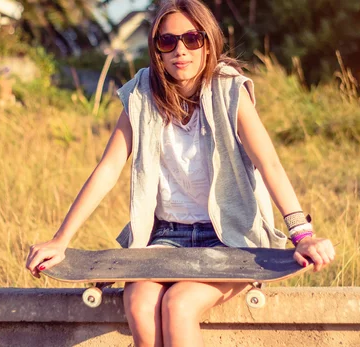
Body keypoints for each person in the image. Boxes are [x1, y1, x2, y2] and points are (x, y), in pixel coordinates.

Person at [26, 0, 335, 345]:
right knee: (140, 305)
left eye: (192, 38)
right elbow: (108, 168)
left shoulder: (230, 91)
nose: (180, 50)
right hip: (165, 238)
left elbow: (270, 163)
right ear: (156, 48)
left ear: (208, 42)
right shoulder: (142, 93)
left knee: (178, 304)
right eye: (167, 41)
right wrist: (61, 240)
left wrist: (301, 234)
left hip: (229, 240)